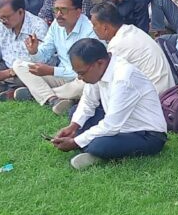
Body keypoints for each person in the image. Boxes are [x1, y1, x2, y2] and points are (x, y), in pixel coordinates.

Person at [48, 39, 169, 171]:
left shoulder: (123, 78)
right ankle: (95, 149)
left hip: (147, 135)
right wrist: (73, 126)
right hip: (120, 125)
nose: (79, 78)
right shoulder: (100, 70)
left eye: (81, 73)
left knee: (99, 145)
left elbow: (111, 125)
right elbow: (88, 102)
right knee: (75, 113)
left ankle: (98, 152)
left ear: (99, 63)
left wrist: (76, 142)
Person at [10, 0, 97, 107]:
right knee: (19, 65)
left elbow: (88, 71)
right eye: (56, 10)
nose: (58, 15)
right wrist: (34, 51)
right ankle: (53, 99)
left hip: (81, 78)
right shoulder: (57, 24)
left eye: (64, 10)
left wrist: (52, 71)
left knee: (86, 86)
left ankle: (36, 94)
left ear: (78, 12)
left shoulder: (91, 31)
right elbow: (44, 55)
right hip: (60, 76)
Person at [90, 1, 176, 94]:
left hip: (156, 96)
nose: (93, 29)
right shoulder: (131, 30)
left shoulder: (117, 44)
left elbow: (105, 79)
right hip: (164, 89)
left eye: (94, 25)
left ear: (105, 27)